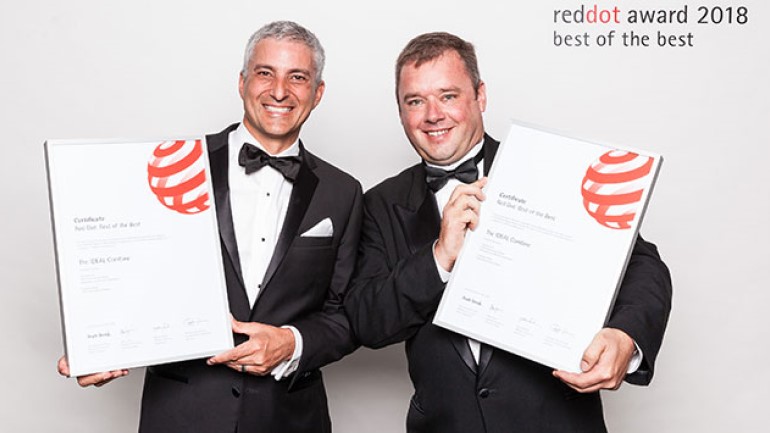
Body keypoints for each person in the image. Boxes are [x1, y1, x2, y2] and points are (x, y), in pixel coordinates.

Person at [344, 31, 671, 433]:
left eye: (448, 96)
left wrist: (625, 337)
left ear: (480, 96)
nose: (433, 114)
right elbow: (366, 320)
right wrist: (440, 256)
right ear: (400, 112)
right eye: (415, 101)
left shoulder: (549, 167)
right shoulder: (380, 204)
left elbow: (643, 265)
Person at [58, 20, 363, 433]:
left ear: (318, 92)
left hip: (289, 417)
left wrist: (292, 342)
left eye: (297, 77)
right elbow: (132, 269)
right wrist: (97, 343)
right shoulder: (174, 167)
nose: (279, 91)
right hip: (183, 413)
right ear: (242, 82)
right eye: (265, 73)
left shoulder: (343, 192)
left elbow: (345, 315)